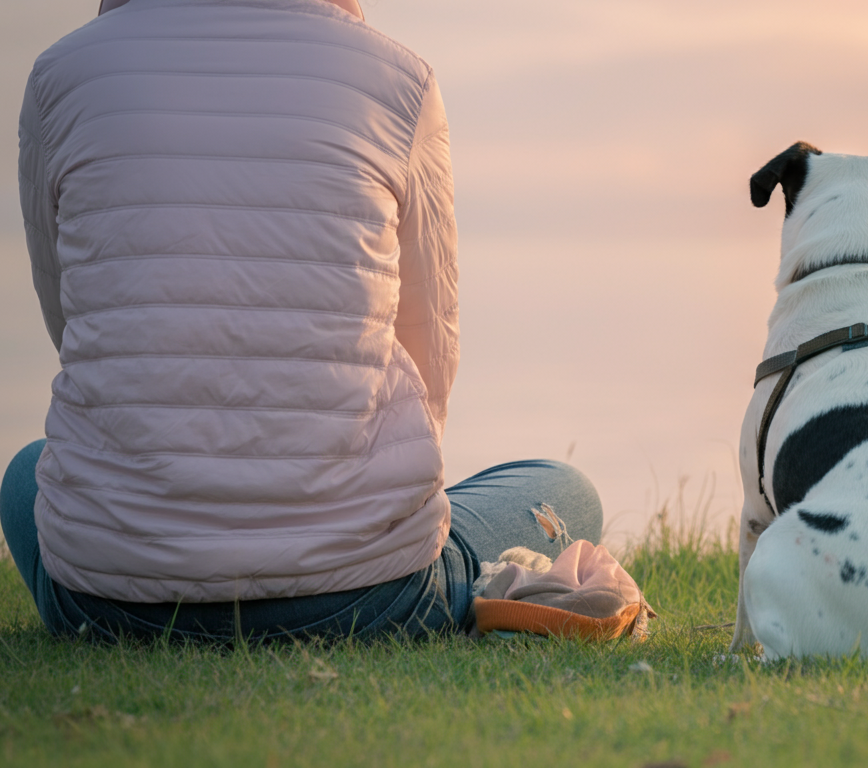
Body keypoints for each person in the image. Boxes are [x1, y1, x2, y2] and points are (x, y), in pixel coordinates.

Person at [2, 0, 601, 642]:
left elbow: (69, 319)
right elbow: (432, 353)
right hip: (365, 600)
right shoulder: (399, 80)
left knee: (24, 473)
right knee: (568, 491)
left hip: (109, 601)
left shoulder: (58, 76)